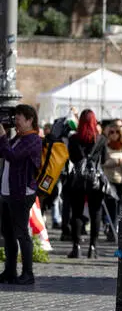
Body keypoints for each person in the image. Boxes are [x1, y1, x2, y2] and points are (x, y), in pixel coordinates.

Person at [0, 105, 42, 285]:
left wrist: (2, 135)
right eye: (15, 117)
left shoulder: (33, 139)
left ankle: (28, 273)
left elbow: (12, 156)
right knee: (7, 233)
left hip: (22, 193)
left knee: (21, 233)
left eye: (19, 118)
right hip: (8, 192)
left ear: (29, 119)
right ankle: (10, 271)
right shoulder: (19, 136)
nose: (15, 120)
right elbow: (3, 152)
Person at [67, 109, 106, 259]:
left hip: (77, 179)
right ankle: (92, 247)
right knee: (95, 212)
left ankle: (76, 247)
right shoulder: (101, 139)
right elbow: (103, 160)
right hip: (94, 180)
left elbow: (72, 158)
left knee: (76, 213)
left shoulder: (73, 139)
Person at [102, 120, 122, 241]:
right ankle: (111, 231)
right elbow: (103, 163)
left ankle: (118, 230)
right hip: (109, 180)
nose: (114, 134)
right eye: (111, 132)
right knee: (111, 206)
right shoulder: (105, 146)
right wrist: (116, 162)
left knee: (121, 206)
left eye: (117, 132)